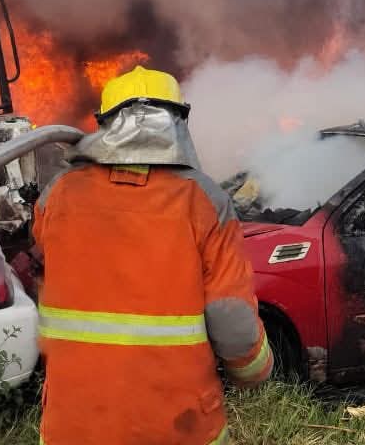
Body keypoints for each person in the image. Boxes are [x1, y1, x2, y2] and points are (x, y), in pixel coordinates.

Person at [32, 66, 273, 445]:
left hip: (73, 425)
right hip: (176, 426)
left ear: (104, 123)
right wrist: (254, 371)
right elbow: (231, 318)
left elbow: (45, 260)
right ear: (178, 121)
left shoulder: (57, 194)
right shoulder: (205, 200)